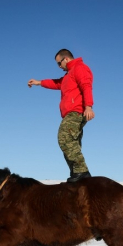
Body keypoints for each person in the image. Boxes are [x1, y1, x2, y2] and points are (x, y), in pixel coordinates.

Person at [28, 49, 95, 183]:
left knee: (64, 138)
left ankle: (82, 171)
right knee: (72, 143)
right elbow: (57, 83)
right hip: (70, 113)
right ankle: (76, 174)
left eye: (59, 63)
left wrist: (88, 106)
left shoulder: (79, 68)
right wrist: (39, 82)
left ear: (66, 59)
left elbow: (86, 86)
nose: (59, 66)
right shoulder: (68, 75)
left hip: (76, 112)